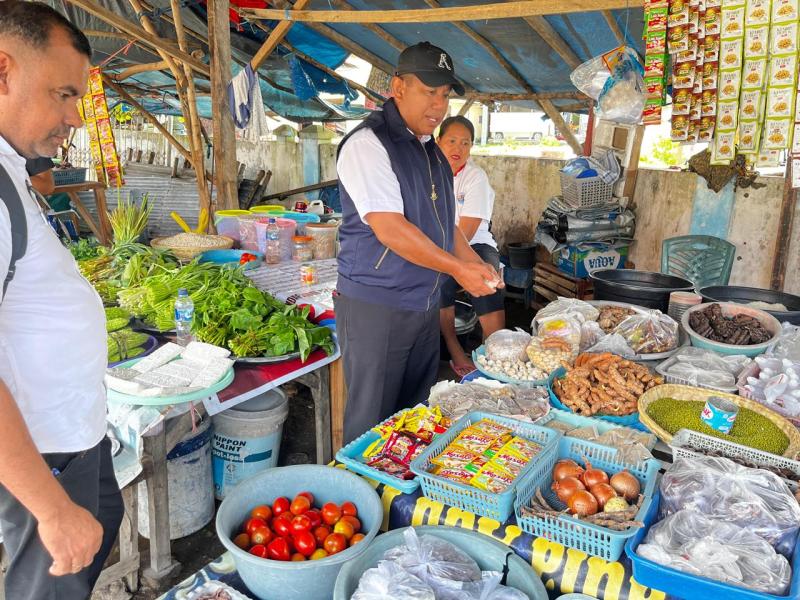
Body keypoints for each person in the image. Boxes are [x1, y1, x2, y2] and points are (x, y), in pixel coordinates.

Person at [0, 3, 123, 598]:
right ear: (3, 72)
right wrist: (50, 509)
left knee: (103, 528)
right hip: (39, 456)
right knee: (50, 584)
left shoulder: (12, 172)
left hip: (73, 438)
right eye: (65, 94)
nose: (75, 117)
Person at [335, 41, 503, 444]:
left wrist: (473, 264)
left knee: (413, 416)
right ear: (398, 87)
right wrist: (458, 269)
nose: (439, 105)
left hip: (423, 305)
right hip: (378, 305)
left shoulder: (432, 154)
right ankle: (364, 498)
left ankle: (400, 498)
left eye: (445, 95)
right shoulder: (369, 144)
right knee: (371, 421)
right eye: (429, 91)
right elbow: (390, 229)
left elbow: (448, 229)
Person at [437, 116, 505, 377]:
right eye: (452, 141)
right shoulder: (429, 174)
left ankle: (496, 349)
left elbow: (466, 230)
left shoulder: (475, 177)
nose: (458, 148)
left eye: (465, 143)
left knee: (488, 279)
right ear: (438, 141)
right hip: (437, 246)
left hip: (474, 243)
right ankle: (455, 350)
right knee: (439, 280)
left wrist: (453, 263)